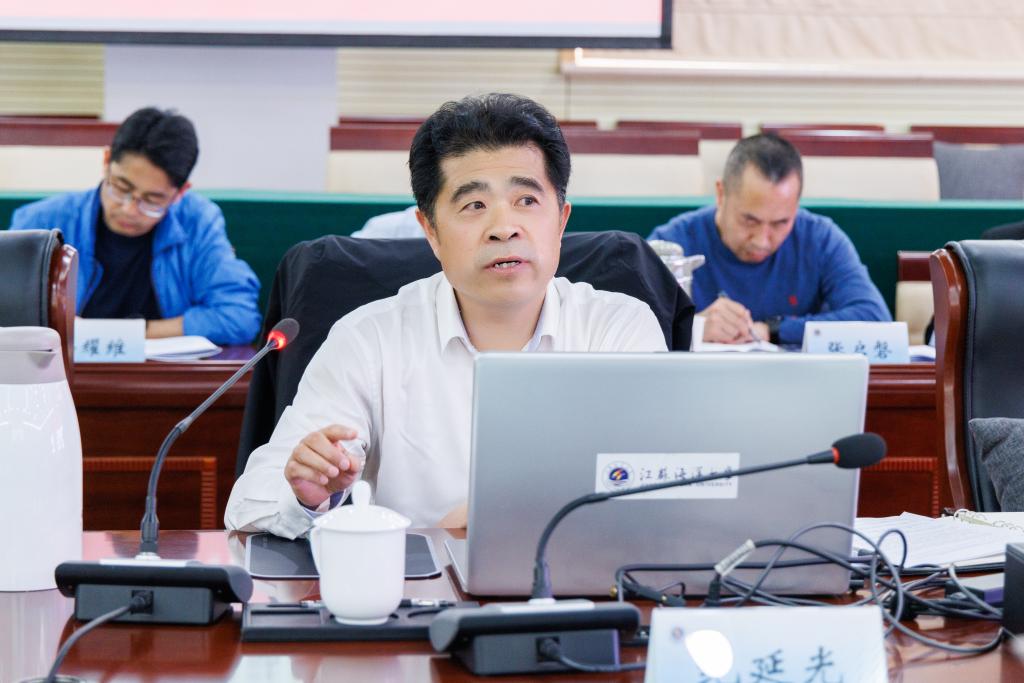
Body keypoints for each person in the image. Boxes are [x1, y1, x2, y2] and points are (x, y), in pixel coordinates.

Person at [226, 93, 666, 536]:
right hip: (416, 582)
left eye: (527, 201)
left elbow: (665, 490)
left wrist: (504, 519)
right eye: (474, 205)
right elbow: (248, 503)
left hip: (584, 577)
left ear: (561, 220)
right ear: (430, 231)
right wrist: (308, 496)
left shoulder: (618, 331)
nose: (504, 227)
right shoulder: (368, 339)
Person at [10, 107, 261, 345]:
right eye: (121, 188)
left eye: (152, 200)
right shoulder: (41, 223)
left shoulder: (198, 222)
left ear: (180, 193)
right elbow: (9, 313)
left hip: (160, 372)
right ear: (106, 160)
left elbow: (239, 316)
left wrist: (120, 335)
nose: (130, 209)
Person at [648, 134, 890, 345]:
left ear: (796, 206)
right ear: (721, 194)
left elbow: (876, 320)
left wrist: (774, 330)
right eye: (749, 220)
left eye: (780, 223)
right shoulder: (670, 244)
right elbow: (630, 331)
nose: (762, 241)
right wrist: (693, 328)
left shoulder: (820, 239)